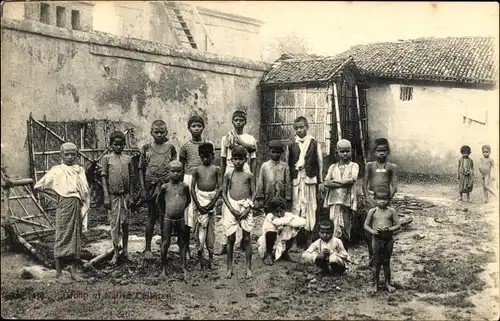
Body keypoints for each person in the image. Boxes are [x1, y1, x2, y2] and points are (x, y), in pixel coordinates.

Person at [34, 142, 91, 284]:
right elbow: (39, 186)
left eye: (73, 154)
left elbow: (85, 190)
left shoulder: (79, 170)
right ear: (61, 155)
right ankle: (59, 273)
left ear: (77, 155)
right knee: (62, 236)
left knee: (76, 237)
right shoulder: (57, 170)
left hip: (76, 205)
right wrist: (56, 196)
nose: (70, 157)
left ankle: (74, 270)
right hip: (63, 206)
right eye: (67, 154)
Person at [218, 110, 258, 255]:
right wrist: (222, 176)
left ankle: (243, 240)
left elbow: (253, 159)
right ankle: (226, 241)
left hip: (245, 169)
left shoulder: (250, 139)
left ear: (245, 122)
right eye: (236, 120)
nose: (239, 123)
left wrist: (253, 174)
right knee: (227, 206)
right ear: (232, 121)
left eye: (241, 120)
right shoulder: (226, 138)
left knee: (245, 202)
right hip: (230, 168)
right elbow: (223, 158)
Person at [139, 120, 177, 260]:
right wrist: (143, 188)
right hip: (150, 186)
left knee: (164, 217)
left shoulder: (171, 148)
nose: (159, 134)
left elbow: (175, 168)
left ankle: (164, 245)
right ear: (151, 132)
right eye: (156, 132)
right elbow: (141, 169)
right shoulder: (146, 148)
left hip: (166, 187)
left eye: (162, 132)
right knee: (151, 216)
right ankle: (148, 248)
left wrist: (172, 185)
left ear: (166, 132)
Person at [179, 115, 213, 260]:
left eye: (199, 125)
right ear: (189, 128)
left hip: (204, 181)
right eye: (193, 126)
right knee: (189, 217)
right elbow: (181, 167)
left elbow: (211, 166)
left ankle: (203, 248)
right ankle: (187, 247)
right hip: (189, 180)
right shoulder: (185, 146)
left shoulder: (208, 144)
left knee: (204, 216)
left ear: (203, 127)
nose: (196, 128)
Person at [287, 116, 323, 247]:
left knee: (310, 207)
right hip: (296, 181)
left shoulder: (314, 143)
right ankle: (295, 241)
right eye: (296, 128)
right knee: (296, 208)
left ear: (307, 127)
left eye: (301, 127)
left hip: (310, 180)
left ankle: (309, 240)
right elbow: (288, 164)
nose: (299, 130)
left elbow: (320, 163)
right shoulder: (291, 145)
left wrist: (321, 181)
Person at [362, 138, 398, 267]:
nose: (381, 153)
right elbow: (364, 184)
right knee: (370, 229)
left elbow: (394, 185)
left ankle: (383, 256)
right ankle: (371, 254)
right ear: (374, 152)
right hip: (372, 200)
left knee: (384, 228)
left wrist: (387, 199)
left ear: (388, 152)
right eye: (378, 151)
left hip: (384, 200)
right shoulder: (369, 166)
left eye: (384, 150)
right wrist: (368, 199)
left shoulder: (392, 167)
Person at [222, 145, 255, 279]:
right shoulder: (228, 174)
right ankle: (229, 268)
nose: (238, 162)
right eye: (235, 159)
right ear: (231, 160)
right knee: (231, 238)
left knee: (247, 238)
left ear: (245, 160)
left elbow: (254, 192)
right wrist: (231, 208)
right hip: (232, 206)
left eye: (240, 159)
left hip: (245, 205)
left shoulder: (249, 175)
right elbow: (223, 193)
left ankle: (248, 268)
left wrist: (248, 208)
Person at [100, 131, 134, 265]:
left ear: (124, 145)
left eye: (121, 144)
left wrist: (130, 195)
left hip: (125, 196)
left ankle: (125, 250)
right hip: (113, 196)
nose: (118, 147)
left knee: (125, 223)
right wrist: (106, 196)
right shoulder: (107, 159)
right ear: (111, 145)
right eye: (115, 144)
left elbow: (131, 177)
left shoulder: (128, 159)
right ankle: (115, 252)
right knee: (114, 225)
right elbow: (103, 177)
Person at [157, 160, 191, 279]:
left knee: (182, 243)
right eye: (173, 171)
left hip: (180, 218)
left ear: (182, 172)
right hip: (168, 219)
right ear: (168, 172)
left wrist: (180, 209)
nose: (176, 174)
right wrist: (166, 213)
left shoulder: (185, 186)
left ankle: (184, 268)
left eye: (178, 171)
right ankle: (163, 269)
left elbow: (188, 201)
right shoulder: (165, 187)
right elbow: (160, 202)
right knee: (165, 242)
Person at [190, 142, 222, 270]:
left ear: (213, 155)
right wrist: (198, 205)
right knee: (199, 232)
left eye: (207, 156)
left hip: (211, 202)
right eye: (202, 157)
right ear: (199, 156)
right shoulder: (196, 170)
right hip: (199, 201)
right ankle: (200, 259)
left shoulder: (216, 169)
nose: (205, 159)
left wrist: (212, 204)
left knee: (210, 232)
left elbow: (220, 188)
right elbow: (192, 189)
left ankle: (211, 259)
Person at [323, 139, 359, 249]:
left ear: (351, 151)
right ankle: (334, 249)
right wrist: (341, 184)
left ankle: (345, 249)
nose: (345, 154)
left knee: (346, 225)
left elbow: (351, 180)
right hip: (334, 200)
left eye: (347, 151)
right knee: (334, 225)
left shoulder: (354, 165)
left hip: (347, 200)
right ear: (337, 152)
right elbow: (326, 182)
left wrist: (334, 182)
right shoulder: (332, 167)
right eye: (342, 151)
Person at [364, 191, 401, 293]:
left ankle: (387, 284)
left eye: (385, 200)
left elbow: (398, 225)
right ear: (375, 200)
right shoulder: (372, 211)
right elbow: (366, 225)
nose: (382, 202)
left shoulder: (391, 211)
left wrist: (389, 229)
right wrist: (373, 231)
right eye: (380, 199)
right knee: (376, 263)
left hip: (388, 239)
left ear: (389, 200)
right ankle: (375, 285)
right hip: (376, 239)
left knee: (386, 262)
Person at [257, 197, 306, 265]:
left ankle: (285, 253)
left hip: (281, 242)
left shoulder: (287, 215)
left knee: (294, 228)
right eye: (277, 211)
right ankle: (269, 255)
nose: (279, 214)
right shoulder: (270, 216)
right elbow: (277, 222)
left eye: (281, 211)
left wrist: (287, 221)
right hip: (268, 244)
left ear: (284, 210)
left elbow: (302, 221)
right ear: (273, 210)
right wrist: (289, 220)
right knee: (271, 228)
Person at [256, 140, 292, 213]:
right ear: (269, 151)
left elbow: (288, 183)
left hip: (281, 197)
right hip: (268, 196)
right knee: (269, 217)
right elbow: (260, 182)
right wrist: (260, 198)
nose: (275, 154)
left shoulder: (285, 166)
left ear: (281, 153)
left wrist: (288, 198)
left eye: (278, 152)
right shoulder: (265, 166)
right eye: (273, 152)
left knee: (280, 218)